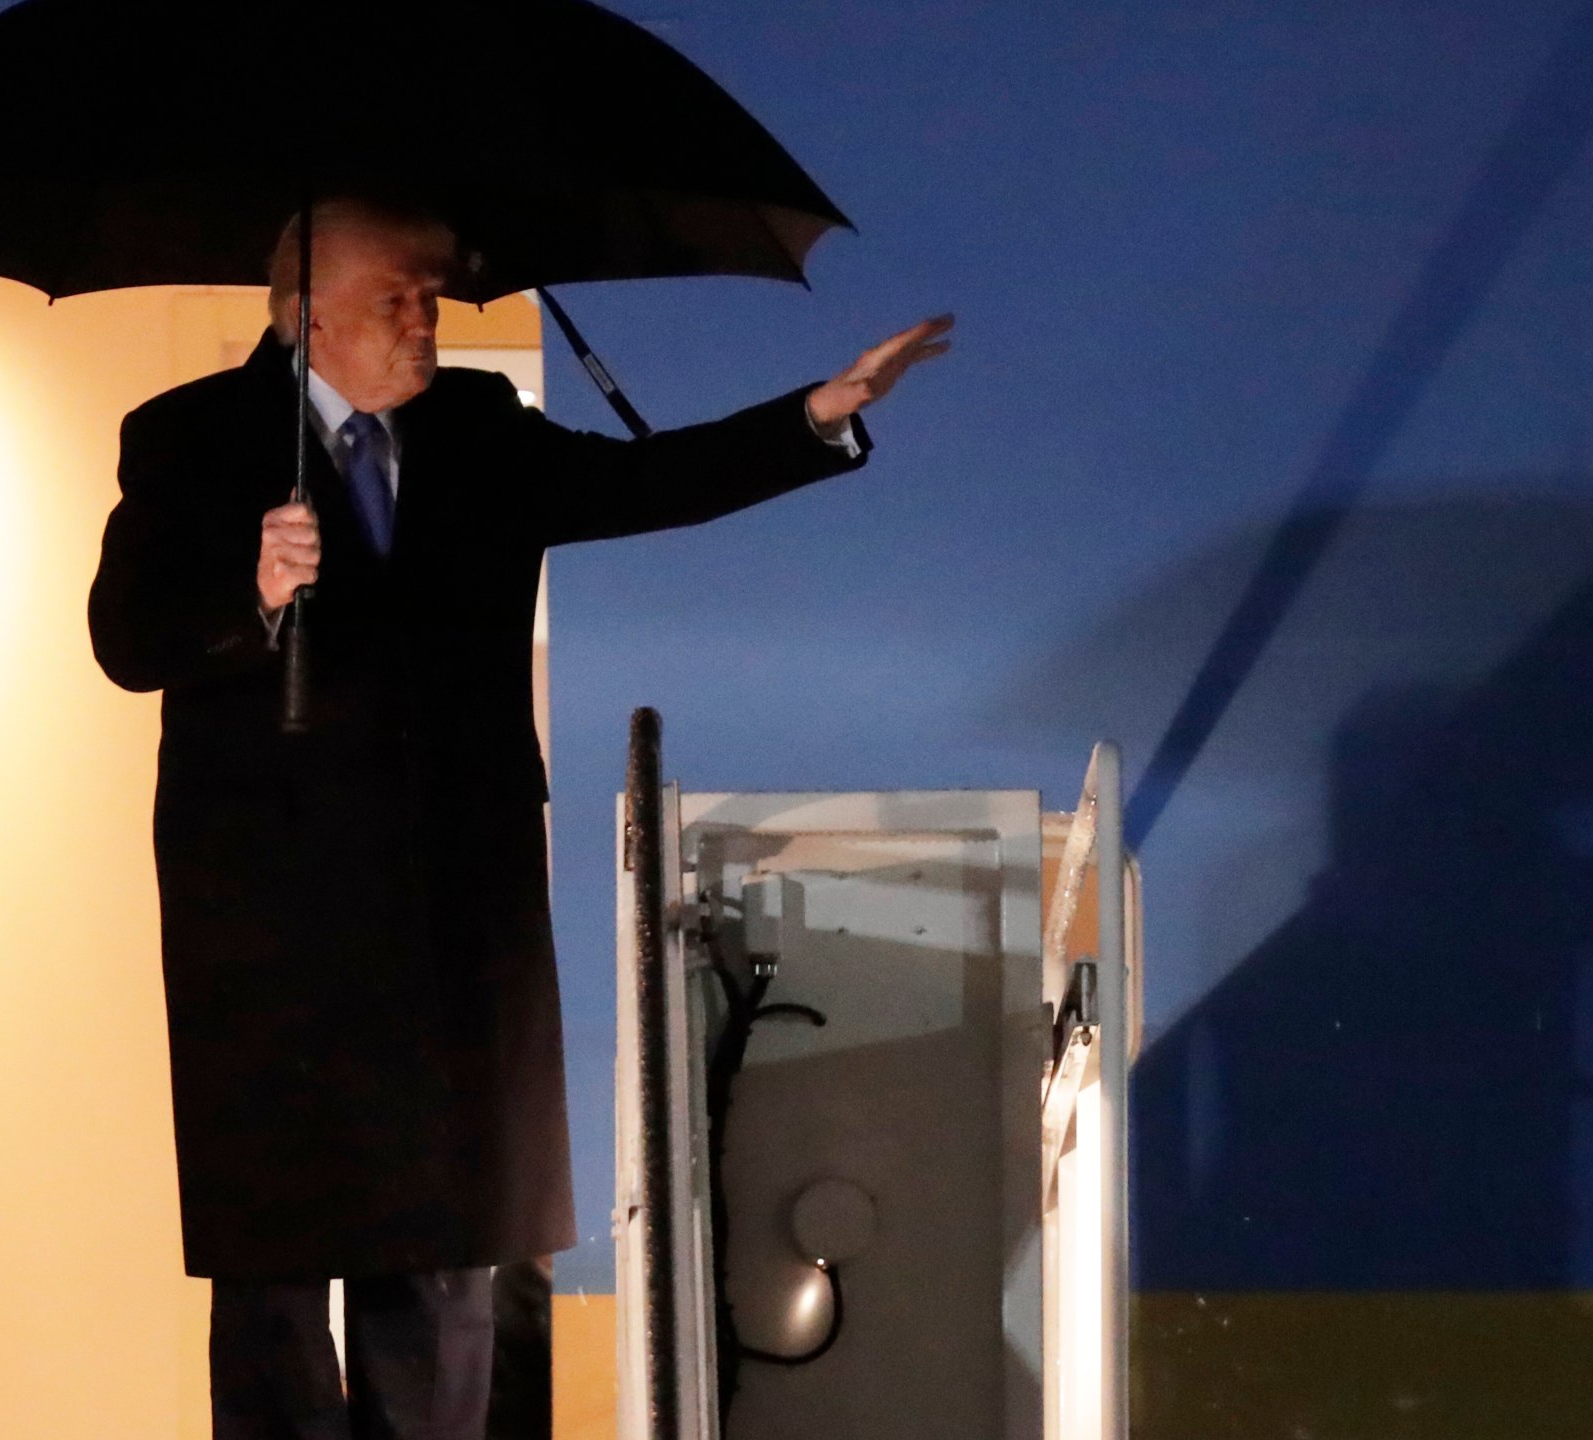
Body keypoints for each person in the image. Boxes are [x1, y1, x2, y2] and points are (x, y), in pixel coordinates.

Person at [88, 196, 950, 1440]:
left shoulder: (480, 431)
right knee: (275, 1275)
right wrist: (255, 589)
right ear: (306, 313)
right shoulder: (189, 439)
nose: (426, 319)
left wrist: (818, 416)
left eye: (433, 297)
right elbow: (125, 640)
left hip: (458, 913)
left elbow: (648, 479)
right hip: (271, 927)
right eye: (399, 298)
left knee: (448, 1256)